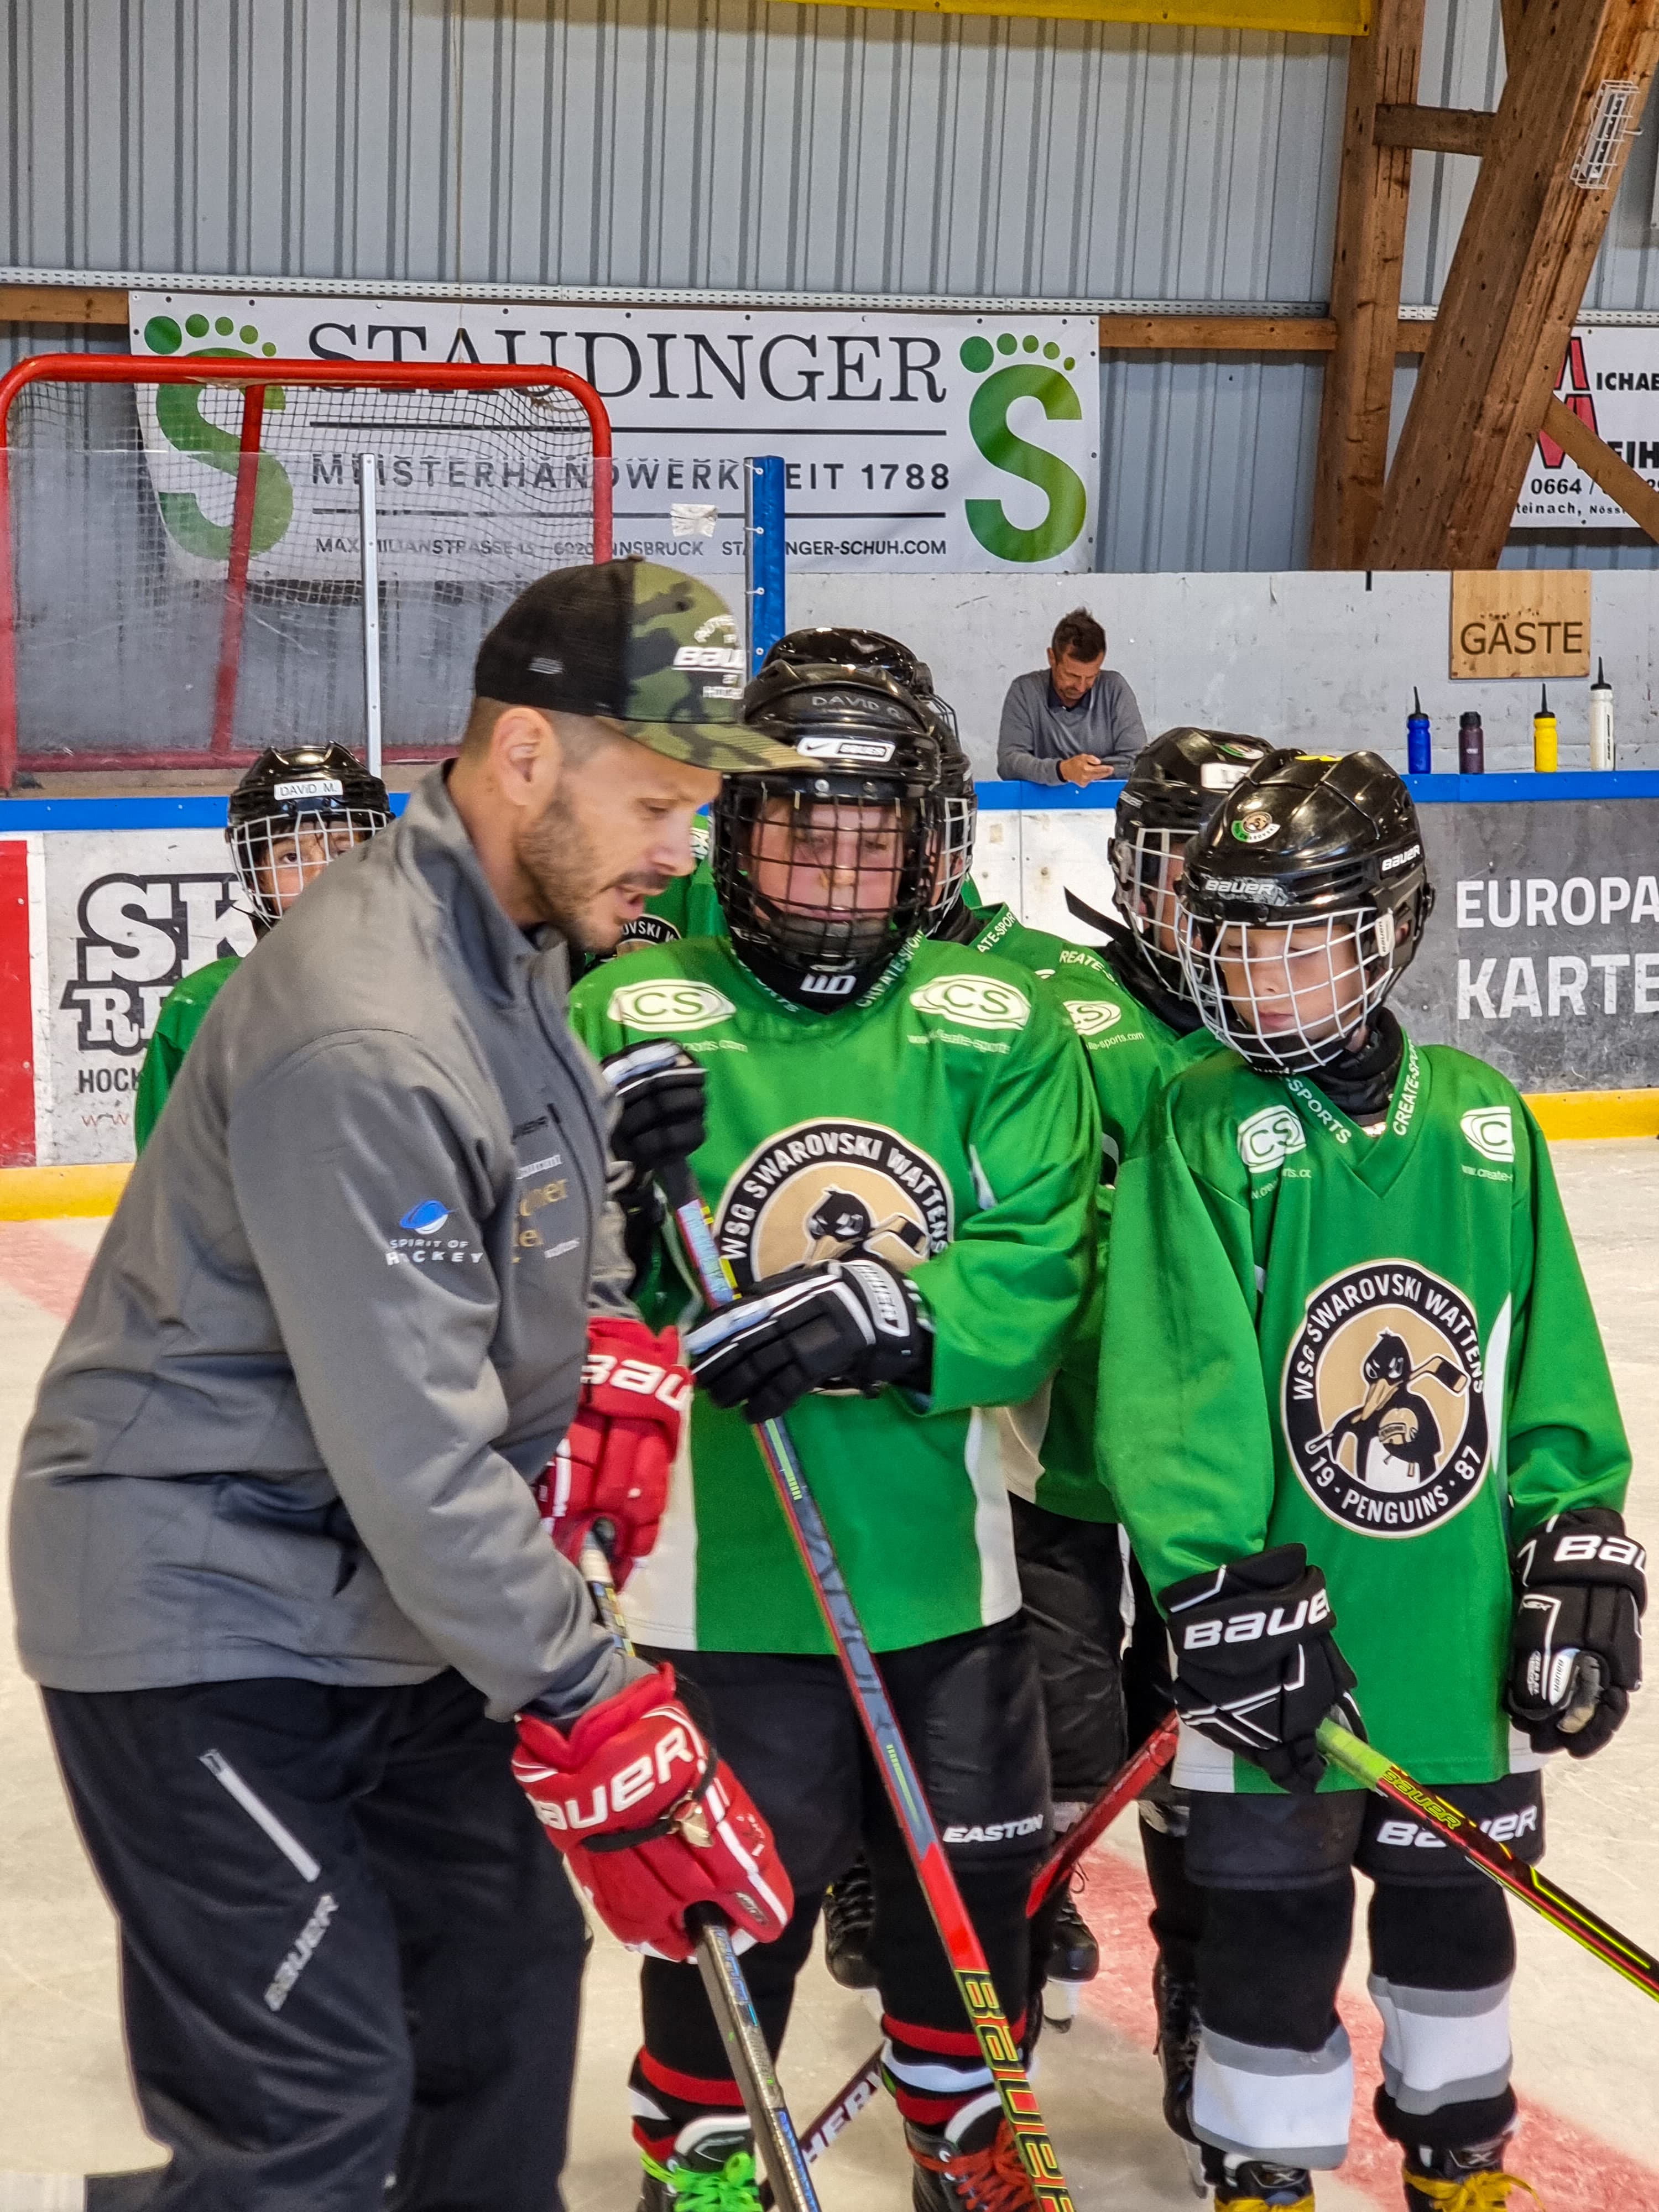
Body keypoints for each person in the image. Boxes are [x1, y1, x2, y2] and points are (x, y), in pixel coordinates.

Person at [11, 557, 802, 2212]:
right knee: (315, 2116)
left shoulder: (512, 941)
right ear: (525, 752)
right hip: (203, 1606)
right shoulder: (369, 1024)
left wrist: (597, 1346)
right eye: (659, 799)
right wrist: (602, 1704)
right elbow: (421, 1465)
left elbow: (552, 1206)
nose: (683, 847)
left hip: (369, 1601)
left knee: (504, 1990)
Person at [567, 660, 1101, 2212]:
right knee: (733, 1896)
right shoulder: (633, 1014)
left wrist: (899, 1316)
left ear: (931, 847)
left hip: (946, 1572)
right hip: (719, 1584)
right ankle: (712, 2156)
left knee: (969, 1885)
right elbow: (566, 1283)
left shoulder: (992, 1025)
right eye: (803, 831)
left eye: (872, 836)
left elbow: (1041, 1259)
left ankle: (962, 2131)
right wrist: (608, 1191)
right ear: (736, 836)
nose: (838, 870)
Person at [1098, 749, 1643, 2210]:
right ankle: (1263, 2173)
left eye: (1299, 940)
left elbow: (1549, 1366)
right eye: (1240, 942)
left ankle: (1460, 2165)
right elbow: (1175, 1374)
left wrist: (1578, 1531)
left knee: (1459, 1945)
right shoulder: (1207, 1127)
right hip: (1276, 1653)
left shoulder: (1482, 1122)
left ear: (1389, 930)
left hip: (1451, 1651)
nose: (1260, 976)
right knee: (1267, 1940)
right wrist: (1213, 1577)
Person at [133, 743, 392, 1149]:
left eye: (344, 849)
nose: (322, 873)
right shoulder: (203, 1006)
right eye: (291, 857)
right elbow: (169, 1176)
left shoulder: (435, 987)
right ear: (258, 882)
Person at [996, 607, 1146, 787]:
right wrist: (1062, 771)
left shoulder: (1115, 689)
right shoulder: (1024, 691)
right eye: (1072, 676)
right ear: (1052, 658)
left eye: (1092, 676)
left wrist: (1084, 771)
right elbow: (1009, 763)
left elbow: (1139, 762)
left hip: (1105, 805)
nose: (1081, 686)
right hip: (1039, 807)